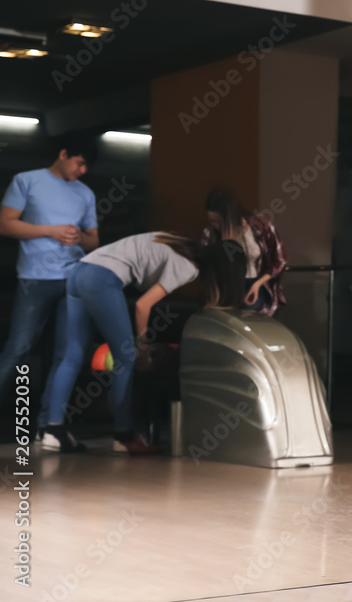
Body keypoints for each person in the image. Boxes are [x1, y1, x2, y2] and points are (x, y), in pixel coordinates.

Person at [43, 232, 246, 454]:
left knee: (72, 357)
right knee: (126, 357)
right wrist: (142, 344)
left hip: (79, 271)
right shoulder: (189, 267)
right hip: (101, 278)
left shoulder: (179, 242)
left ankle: (52, 431)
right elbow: (143, 305)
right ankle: (123, 435)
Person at [0, 134, 98, 446]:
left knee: (67, 354)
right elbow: (5, 224)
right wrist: (50, 231)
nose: (82, 170)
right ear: (63, 153)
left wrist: (77, 238)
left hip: (74, 279)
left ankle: (48, 427)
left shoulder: (85, 193)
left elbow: (94, 240)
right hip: (34, 279)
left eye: (87, 166)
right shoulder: (26, 181)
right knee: (18, 349)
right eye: (79, 163)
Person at [202, 188, 287, 316]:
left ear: (230, 216)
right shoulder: (210, 234)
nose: (216, 225)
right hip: (225, 289)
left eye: (219, 221)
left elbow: (279, 260)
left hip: (255, 282)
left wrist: (258, 283)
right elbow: (207, 271)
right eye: (212, 221)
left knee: (250, 316)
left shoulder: (260, 227)